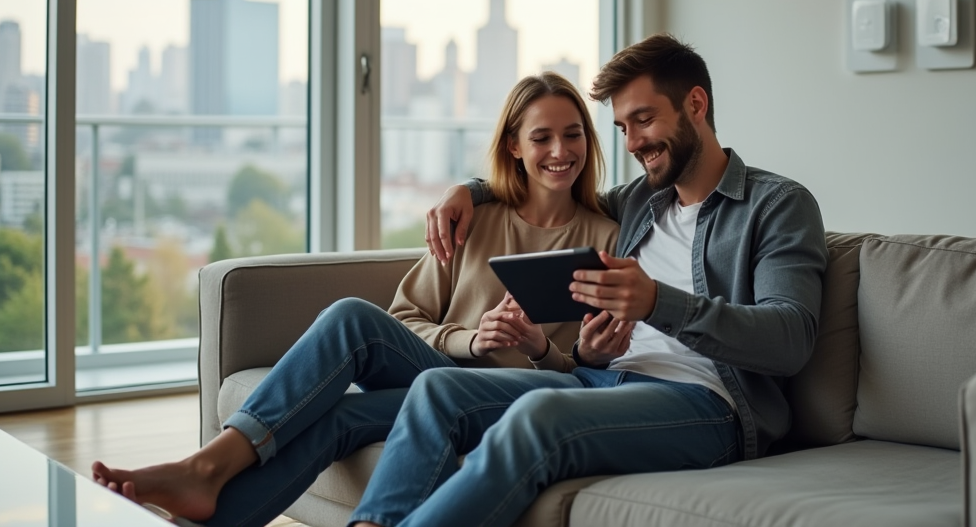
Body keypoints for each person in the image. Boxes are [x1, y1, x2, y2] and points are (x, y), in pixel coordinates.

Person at [91, 71, 622, 527]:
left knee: (341, 421)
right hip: (441, 369)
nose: (560, 151)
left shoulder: (607, 238)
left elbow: (588, 369)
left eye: (573, 135)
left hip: (518, 396)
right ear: (515, 146)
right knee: (350, 316)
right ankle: (208, 468)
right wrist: (469, 340)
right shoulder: (475, 219)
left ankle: (206, 494)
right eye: (542, 137)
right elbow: (406, 316)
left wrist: (535, 347)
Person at [342, 32, 828, 527]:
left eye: (644, 119)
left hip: (704, 402)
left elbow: (790, 340)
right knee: (437, 390)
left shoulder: (777, 205)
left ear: (696, 104)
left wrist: (658, 302)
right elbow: (548, 179)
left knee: (537, 419)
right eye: (621, 127)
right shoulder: (638, 200)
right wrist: (466, 190)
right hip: (598, 381)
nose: (634, 143)